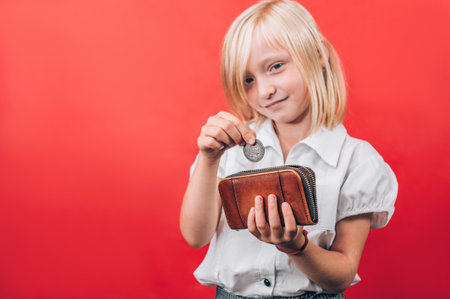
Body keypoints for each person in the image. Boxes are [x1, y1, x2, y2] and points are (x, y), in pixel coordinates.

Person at [180, 0, 398, 298]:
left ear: (318, 54)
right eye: (248, 80)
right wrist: (208, 159)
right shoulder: (227, 150)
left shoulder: (357, 161)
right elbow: (195, 235)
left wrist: (297, 247)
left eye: (276, 66)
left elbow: (341, 275)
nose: (264, 90)